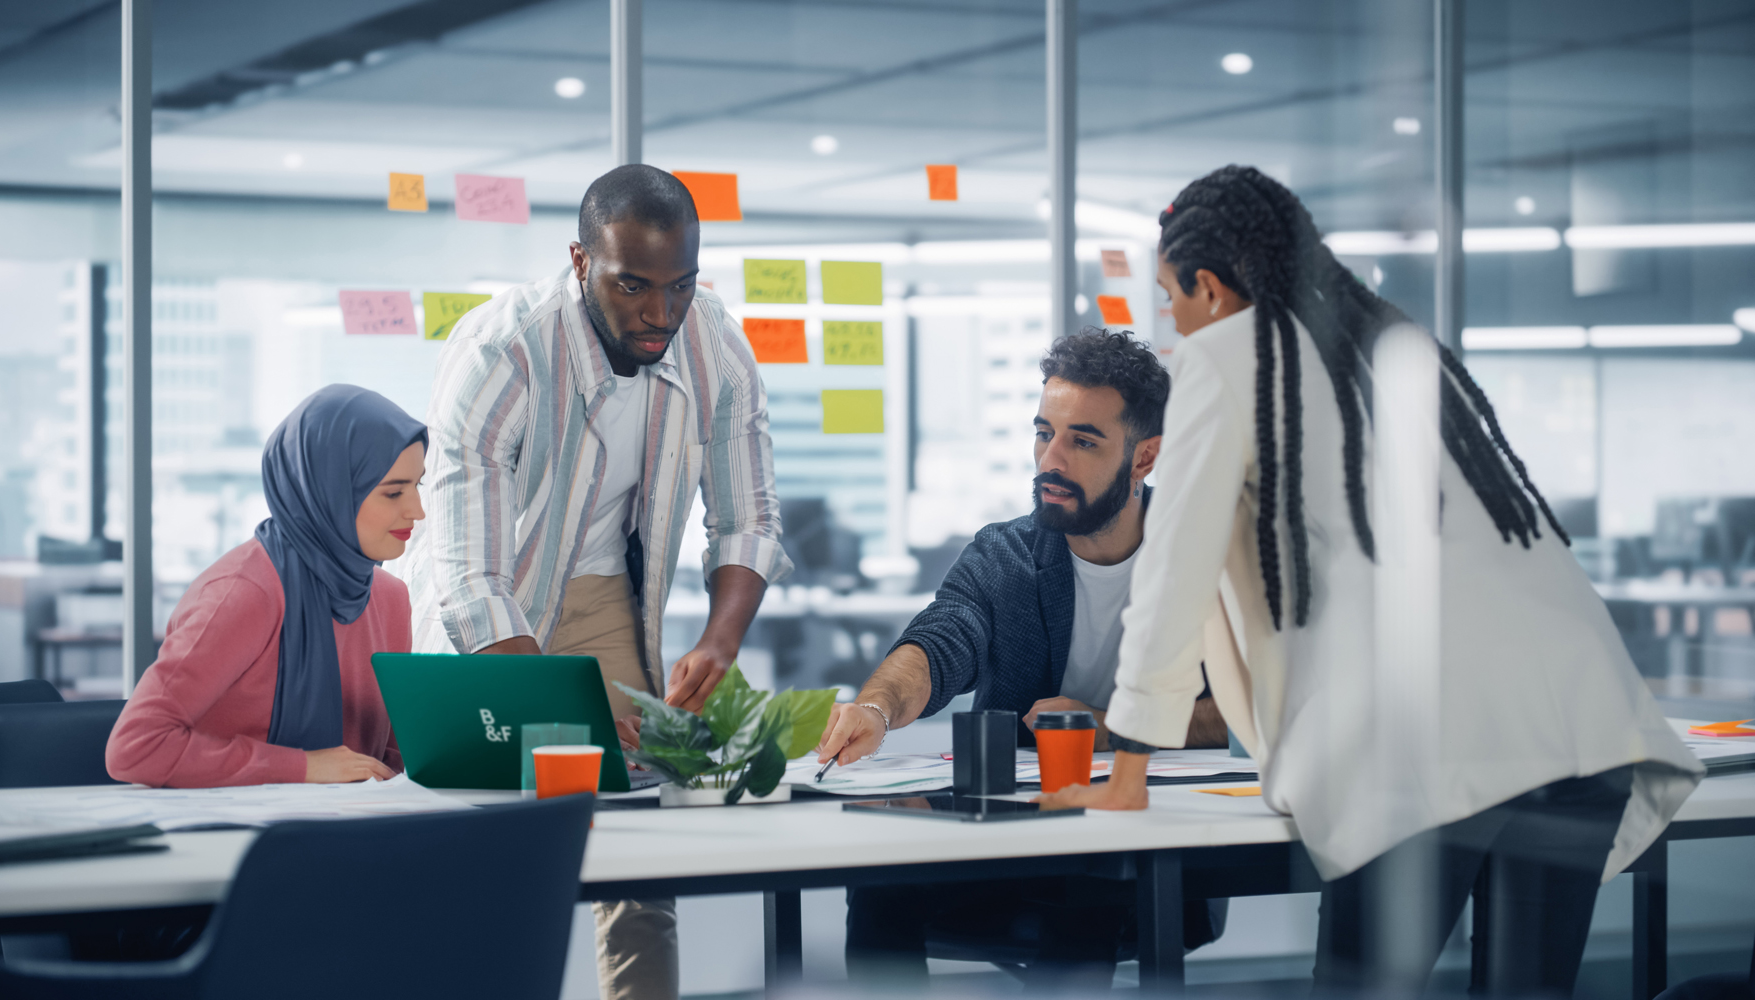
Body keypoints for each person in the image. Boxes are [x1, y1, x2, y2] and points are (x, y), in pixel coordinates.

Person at [1040, 165, 1703, 993]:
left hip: (1422, 737)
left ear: (1209, 288)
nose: (1170, 321)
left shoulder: (1227, 355)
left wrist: (1128, 772)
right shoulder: (1385, 346)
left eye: (1171, 297)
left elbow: (1173, 567)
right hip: (1579, 719)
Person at [401, 163, 791, 1000]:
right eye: (634, 286)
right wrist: (566, 717)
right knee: (487, 836)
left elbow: (749, 516)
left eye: (679, 285)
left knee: (637, 848)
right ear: (582, 263)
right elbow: (471, 575)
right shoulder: (499, 351)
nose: (660, 313)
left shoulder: (712, 339)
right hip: (488, 608)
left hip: (603, 592)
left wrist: (719, 645)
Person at [816, 329, 1227, 991]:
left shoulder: (1205, 557)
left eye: (1083, 441)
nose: (1050, 460)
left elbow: (1241, 711)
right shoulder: (1005, 556)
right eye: (1044, 433)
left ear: (1145, 456)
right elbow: (937, 644)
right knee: (880, 884)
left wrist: (1101, 722)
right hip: (1013, 843)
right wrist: (876, 707)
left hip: (1151, 839)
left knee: (1083, 909)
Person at [108, 384, 426, 788]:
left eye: (418, 485)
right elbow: (136, 747)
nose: (417, 510)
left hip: (349, 829)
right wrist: (304, 767)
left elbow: (390, 761)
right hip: (232, 836)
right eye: (394, 491)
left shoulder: (390, 598)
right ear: (328, 490)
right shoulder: (243, 593)